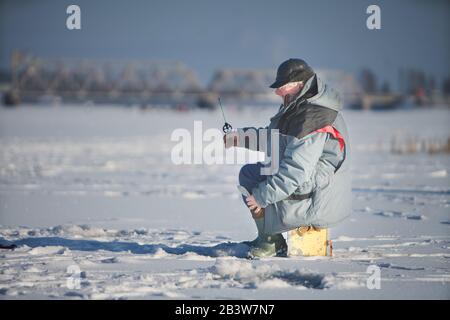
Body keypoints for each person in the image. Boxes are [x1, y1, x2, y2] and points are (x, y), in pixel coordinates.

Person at [224, 58, 352, 258]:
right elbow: (274, 140)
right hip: (313, 181)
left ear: (298, 85)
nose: (277, 92)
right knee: (250, 174)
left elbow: (295, 171)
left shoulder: (312, 116)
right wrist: (239, 138)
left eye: (281, 87)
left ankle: (271, 243)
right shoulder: (299, 106)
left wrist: (260, 197)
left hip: (318, 192)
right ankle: (268, 238)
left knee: (258, 185)